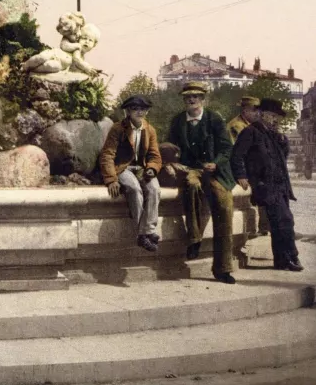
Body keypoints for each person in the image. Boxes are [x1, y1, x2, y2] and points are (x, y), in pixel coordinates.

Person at [166, 82, 237, 284]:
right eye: (188, 97)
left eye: (196, 97)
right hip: (191, 170)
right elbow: (170, 146)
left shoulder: (214, 119)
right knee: (191, 185)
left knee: (224, 206)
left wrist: (215, 163)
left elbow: (226, 149)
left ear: (203, 100)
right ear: (184, 100)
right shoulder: (178, 121)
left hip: (216, 171)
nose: (191, 100)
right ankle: (195, 239)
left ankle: (223, 268)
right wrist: (172, 162)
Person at [231, 98, 302, 272]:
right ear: (262, 114)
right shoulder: (251, 132)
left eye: (278, 117)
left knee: (282, 222)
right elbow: (237, 156)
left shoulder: (274, 134)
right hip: (265, 184)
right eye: (272, 116)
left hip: (281, 185)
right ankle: (290, 257)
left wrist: (283, 141)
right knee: (284, 220)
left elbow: (282, 159)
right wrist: (241, 175)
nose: (276, 120)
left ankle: (282, 260)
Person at [100, 95, 163, 252]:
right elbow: (107, 155)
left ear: (146, 112)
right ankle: (144, 234)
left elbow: (155, 156)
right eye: (135, 109)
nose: (139, 112)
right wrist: (111, 179)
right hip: (122, 168)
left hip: (141, 168)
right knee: (134, 189)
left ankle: (147, 231)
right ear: (128, 111)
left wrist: (151, 168)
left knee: (154, 188)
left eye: (143, 109)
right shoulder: (118, 129)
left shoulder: (149, 130)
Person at [227, 96, 269, 236]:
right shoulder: (237, 126)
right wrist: (242, 174)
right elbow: (236, 153)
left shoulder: (252, 126)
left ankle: (263, 226)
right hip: (238, 168)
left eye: (258, 111)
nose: (257, 114)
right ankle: (258, 228)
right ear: (244, 111)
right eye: (254, 111)